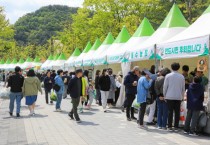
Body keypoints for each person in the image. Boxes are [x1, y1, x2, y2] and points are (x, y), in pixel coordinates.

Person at [163, 62, 185, 132]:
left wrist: (164, 95)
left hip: (169, 96)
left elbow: (165, 87)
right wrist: (182, 96)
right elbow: (183, 88)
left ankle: (169, 126)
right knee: (177, 112)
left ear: (171, 67)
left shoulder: (168, 76)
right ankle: (176, 126)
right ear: (178, 68)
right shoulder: (181, 76)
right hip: (178, 96)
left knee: (170, 112)